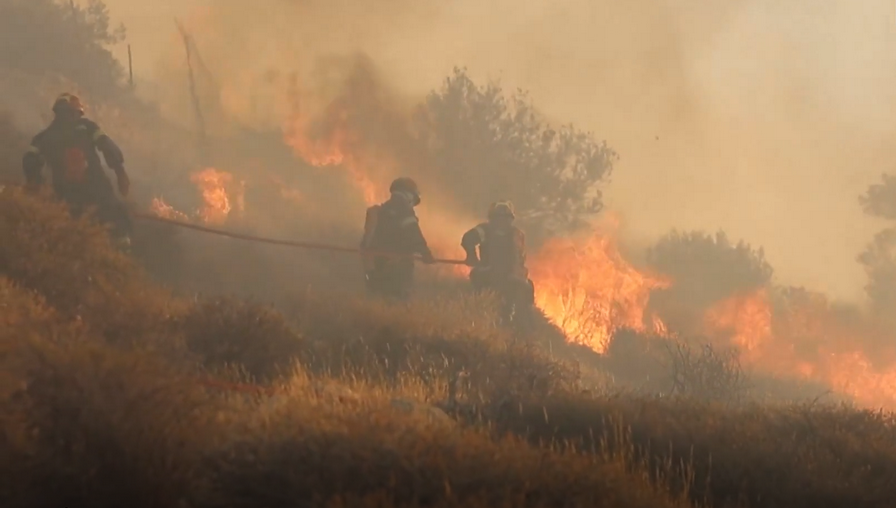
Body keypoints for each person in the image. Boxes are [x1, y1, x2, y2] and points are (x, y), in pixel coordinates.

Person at [22, 93, 132, 249]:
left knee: (76, 233)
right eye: (72, 113)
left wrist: (35, 183)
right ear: (63, 112)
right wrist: (120, 172)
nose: (74, 117)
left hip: (67, 194)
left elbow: (30, 160)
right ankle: (119, 254)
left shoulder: (44, 137)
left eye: (76, 113)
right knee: (116, 220)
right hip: (95, 190)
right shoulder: (87, 128)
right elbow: (106, 145)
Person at [360, 177, 435, 300]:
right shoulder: (404, 210)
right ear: (409, 194)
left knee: (380, 304)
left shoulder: (382, 211)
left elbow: (367, 241)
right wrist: (426, 254)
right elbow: (413, 234)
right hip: (398, 270)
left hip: (377, 267)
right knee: (399, 304)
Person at [461, 201, 536, 313]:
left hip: (505, 277)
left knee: (526, 289)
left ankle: (520, 315)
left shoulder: (516, 234)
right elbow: (468, 239)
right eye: (499, 218)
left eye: (504, 218)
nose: (502, 221)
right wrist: (471, 255)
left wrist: (472, 257)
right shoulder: (485, 230)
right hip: (489, 275)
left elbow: (520, 259)